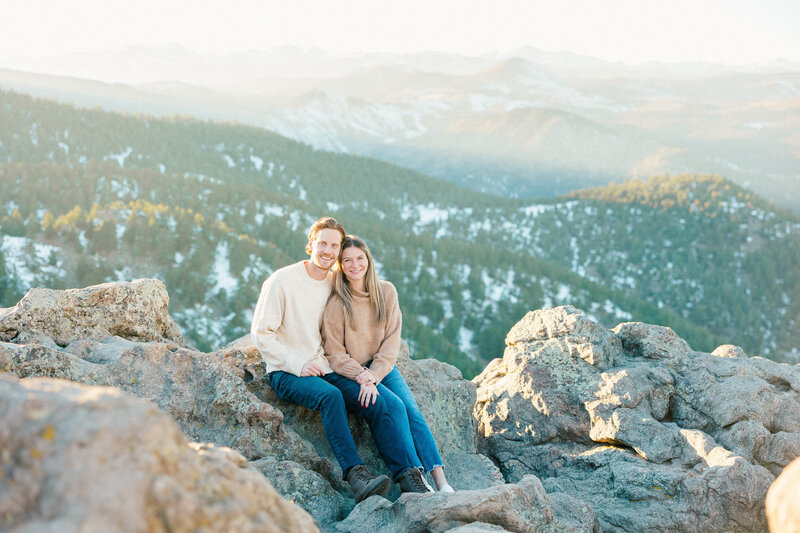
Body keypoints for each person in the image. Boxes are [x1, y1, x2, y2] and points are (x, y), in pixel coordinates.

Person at [250, 217, 430, 503]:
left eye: (334, 245)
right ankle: (357, 477)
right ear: (310, 244)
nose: (328, 250)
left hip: (327, 366)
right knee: (331, 397)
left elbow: (363, 308)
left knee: (378, 401)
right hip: (287, 372)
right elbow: (261, 333)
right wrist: (296, 364)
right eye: (322, 243)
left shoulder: (336, 282)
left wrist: (367, 375)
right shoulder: (282, 281)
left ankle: (407, 476)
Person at [321, 235, 454, 493]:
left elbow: (392, 342)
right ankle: (417, 477)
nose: (354, 265)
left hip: (381, 367)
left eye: (360, 258)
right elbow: (335, 354)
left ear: (368, 260)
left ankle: (441, 480)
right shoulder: (337, 303)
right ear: (340, 266)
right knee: (395, 408)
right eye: (347, 260)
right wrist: (362, 376)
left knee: (412, 410)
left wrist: (374, 374)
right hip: (354, 371)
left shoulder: (386, 291)